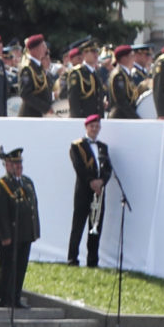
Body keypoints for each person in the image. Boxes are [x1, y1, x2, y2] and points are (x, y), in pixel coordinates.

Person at [0, 144, 39, 309]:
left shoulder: (27, 182)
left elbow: (33, 206)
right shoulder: (1, 185)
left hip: (25, 233)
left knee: (20, 267)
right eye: (14, 164)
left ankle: (16, 297)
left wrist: (34, 230)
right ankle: (3, 297)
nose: (18, 167)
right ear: (7, 165)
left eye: (20, 163)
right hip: (10, 233)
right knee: (8, 266)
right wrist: (4, 234)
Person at [66, 113, 111, 268]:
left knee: (95, 227)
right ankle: (72, 259)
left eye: (97, 126)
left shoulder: (103, 147)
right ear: (86, 127)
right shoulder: (77, 145)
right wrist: (91, 182)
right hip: (83, 191)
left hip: (98, 192)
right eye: (92, 126)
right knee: (78, 226)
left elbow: (108, 169)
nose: (94, 129)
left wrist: (102, 181)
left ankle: (92, 260)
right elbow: (79, 166)